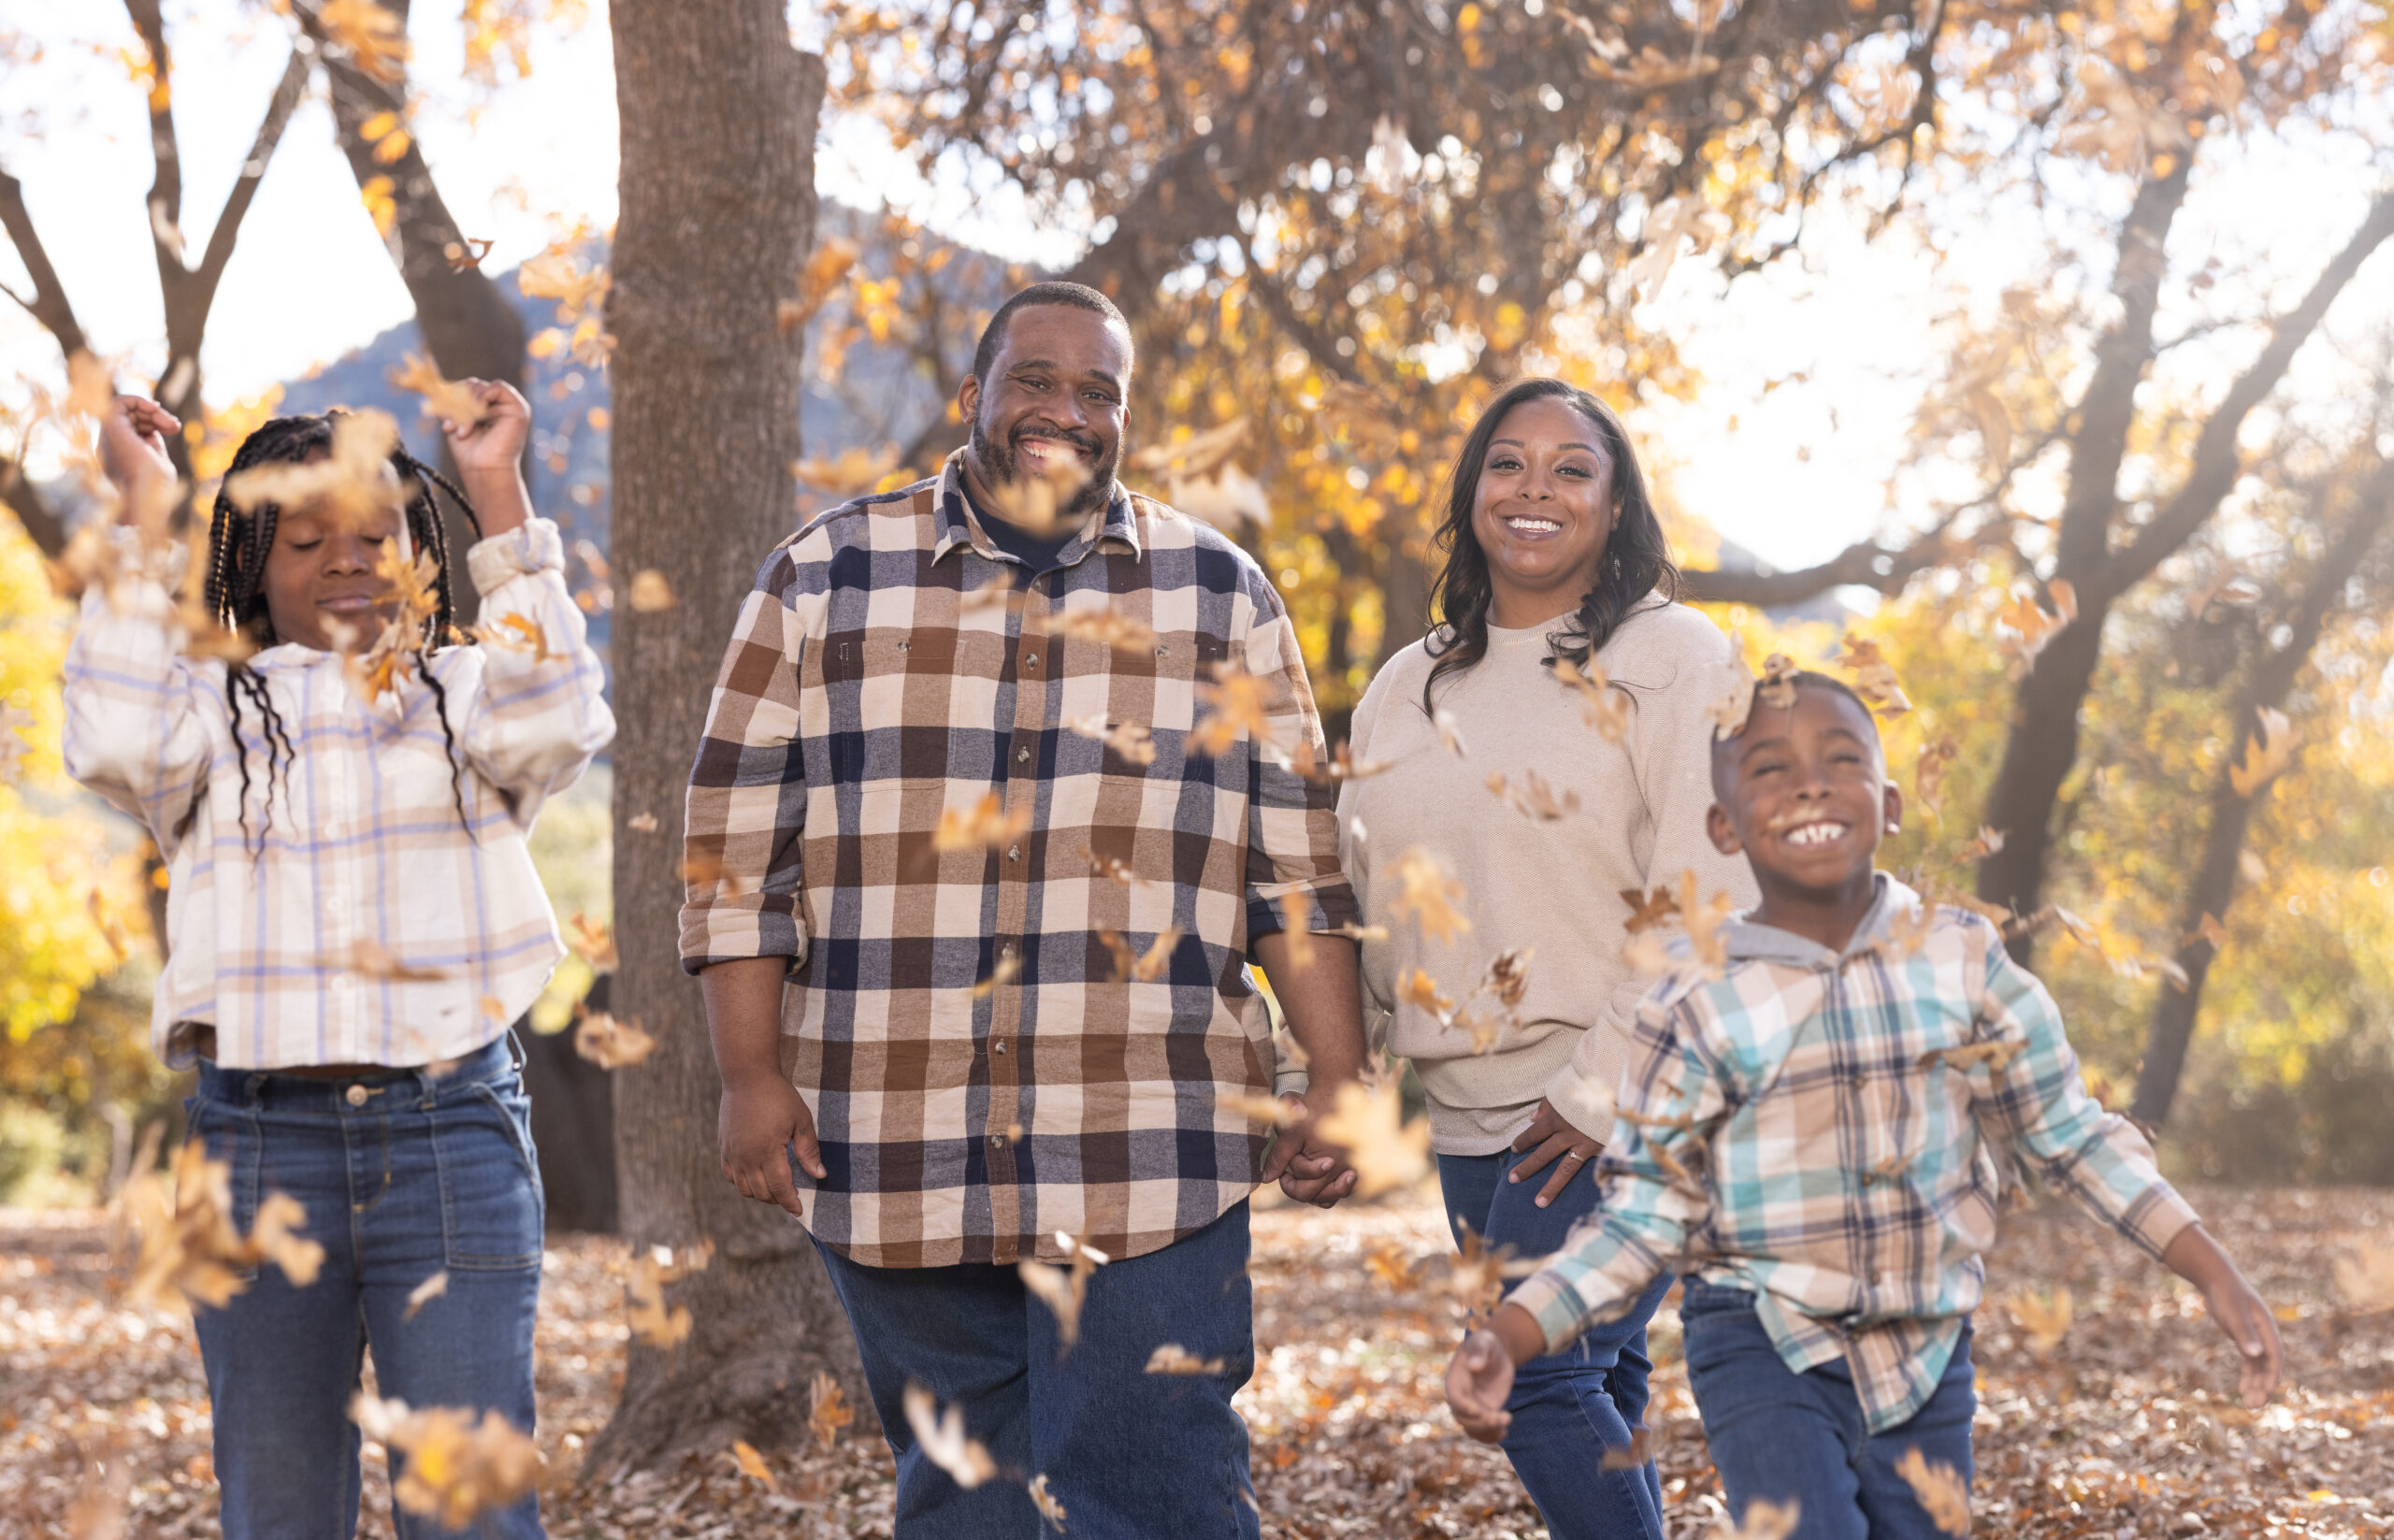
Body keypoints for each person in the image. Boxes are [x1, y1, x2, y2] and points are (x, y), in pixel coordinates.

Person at [683, 281, 1368, 1538]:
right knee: (963, 1496)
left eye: (1098, 390)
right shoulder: (826, 573)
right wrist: (746, 1070)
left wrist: (1338, 1068)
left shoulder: (1219, 595)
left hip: (1150, 1129)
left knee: (1161, 1486)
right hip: (892, 1126)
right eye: (1037, 379)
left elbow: (1296, 864)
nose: (1067, 410)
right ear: (975, 397)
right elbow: (736, 849)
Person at [1446, 671, 2284, 1539]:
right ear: (1724, 826)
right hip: (1759, 1338)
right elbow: (1643, 1218)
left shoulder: (1962, 962)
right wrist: (1510, 1334)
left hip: (1925, 1352)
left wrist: (2209, 1266)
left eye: (1839, 758)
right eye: (1771, 767)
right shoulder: (1692, 1003)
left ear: (1886, 806)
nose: (1809, 780)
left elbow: (2070, 1137)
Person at [67, 388, 613, 1540]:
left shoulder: (467, 696)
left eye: (377, 536)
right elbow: (108, 735)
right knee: (277, 1506)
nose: (345, 563)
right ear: (253, 567)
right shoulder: (208, 714)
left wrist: (502, 498)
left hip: (451, 1136)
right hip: (257, 1148)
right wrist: (140, 510)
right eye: (304, 542)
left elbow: (559, 716)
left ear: (423, 552)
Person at [1330, 376, 1753, 1537]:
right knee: (1598, 1384)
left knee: (1531, 1377)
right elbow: (1369, 902)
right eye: (1507, 464)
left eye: (1573, 469)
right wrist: (1335, 1084)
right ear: (1472, 494)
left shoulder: (1671, 655)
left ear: (1615, 510)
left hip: (1620, 1103)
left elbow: (1713, 885)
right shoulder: (1403, 685)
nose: (1535, 489)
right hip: (1471, 1116)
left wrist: (1606, 1086)